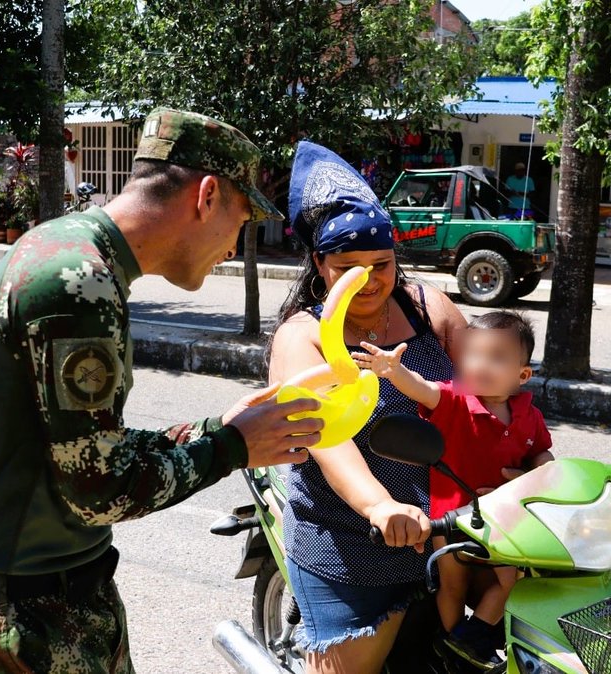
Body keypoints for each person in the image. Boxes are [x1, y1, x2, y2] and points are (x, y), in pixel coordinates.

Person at [0, 108, 325, 674]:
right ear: (207, 195)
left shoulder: (70, 252)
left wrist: (218, 429)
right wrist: (231, 449)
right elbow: (99, 489)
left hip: (44, 600)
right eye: (241, 222)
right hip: (29, 619)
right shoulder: (78, 281)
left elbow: (92, 448)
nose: (236, 244)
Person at [270, 140, 467, 674]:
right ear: (319, 263)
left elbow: (483, 393)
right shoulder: (303, 337)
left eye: (381, 263)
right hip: (349, 538)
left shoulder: (429, 308)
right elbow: (326, 438)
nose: (371, 280)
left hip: (449, 529)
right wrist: (380, 507)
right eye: (349, 267)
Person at [353, 310, 554, 666]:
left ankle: (471, 636)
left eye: (496, 358)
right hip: (451, 519)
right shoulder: (456, 401)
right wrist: (392, 371)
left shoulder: (528, 415)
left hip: (504, 523)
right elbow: (422, 388)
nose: (481, 365)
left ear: (522, 375)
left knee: (516, 583)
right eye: (473, 355)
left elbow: (542, 452)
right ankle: (451, 647)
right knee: (453, 584)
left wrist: (543, 470)